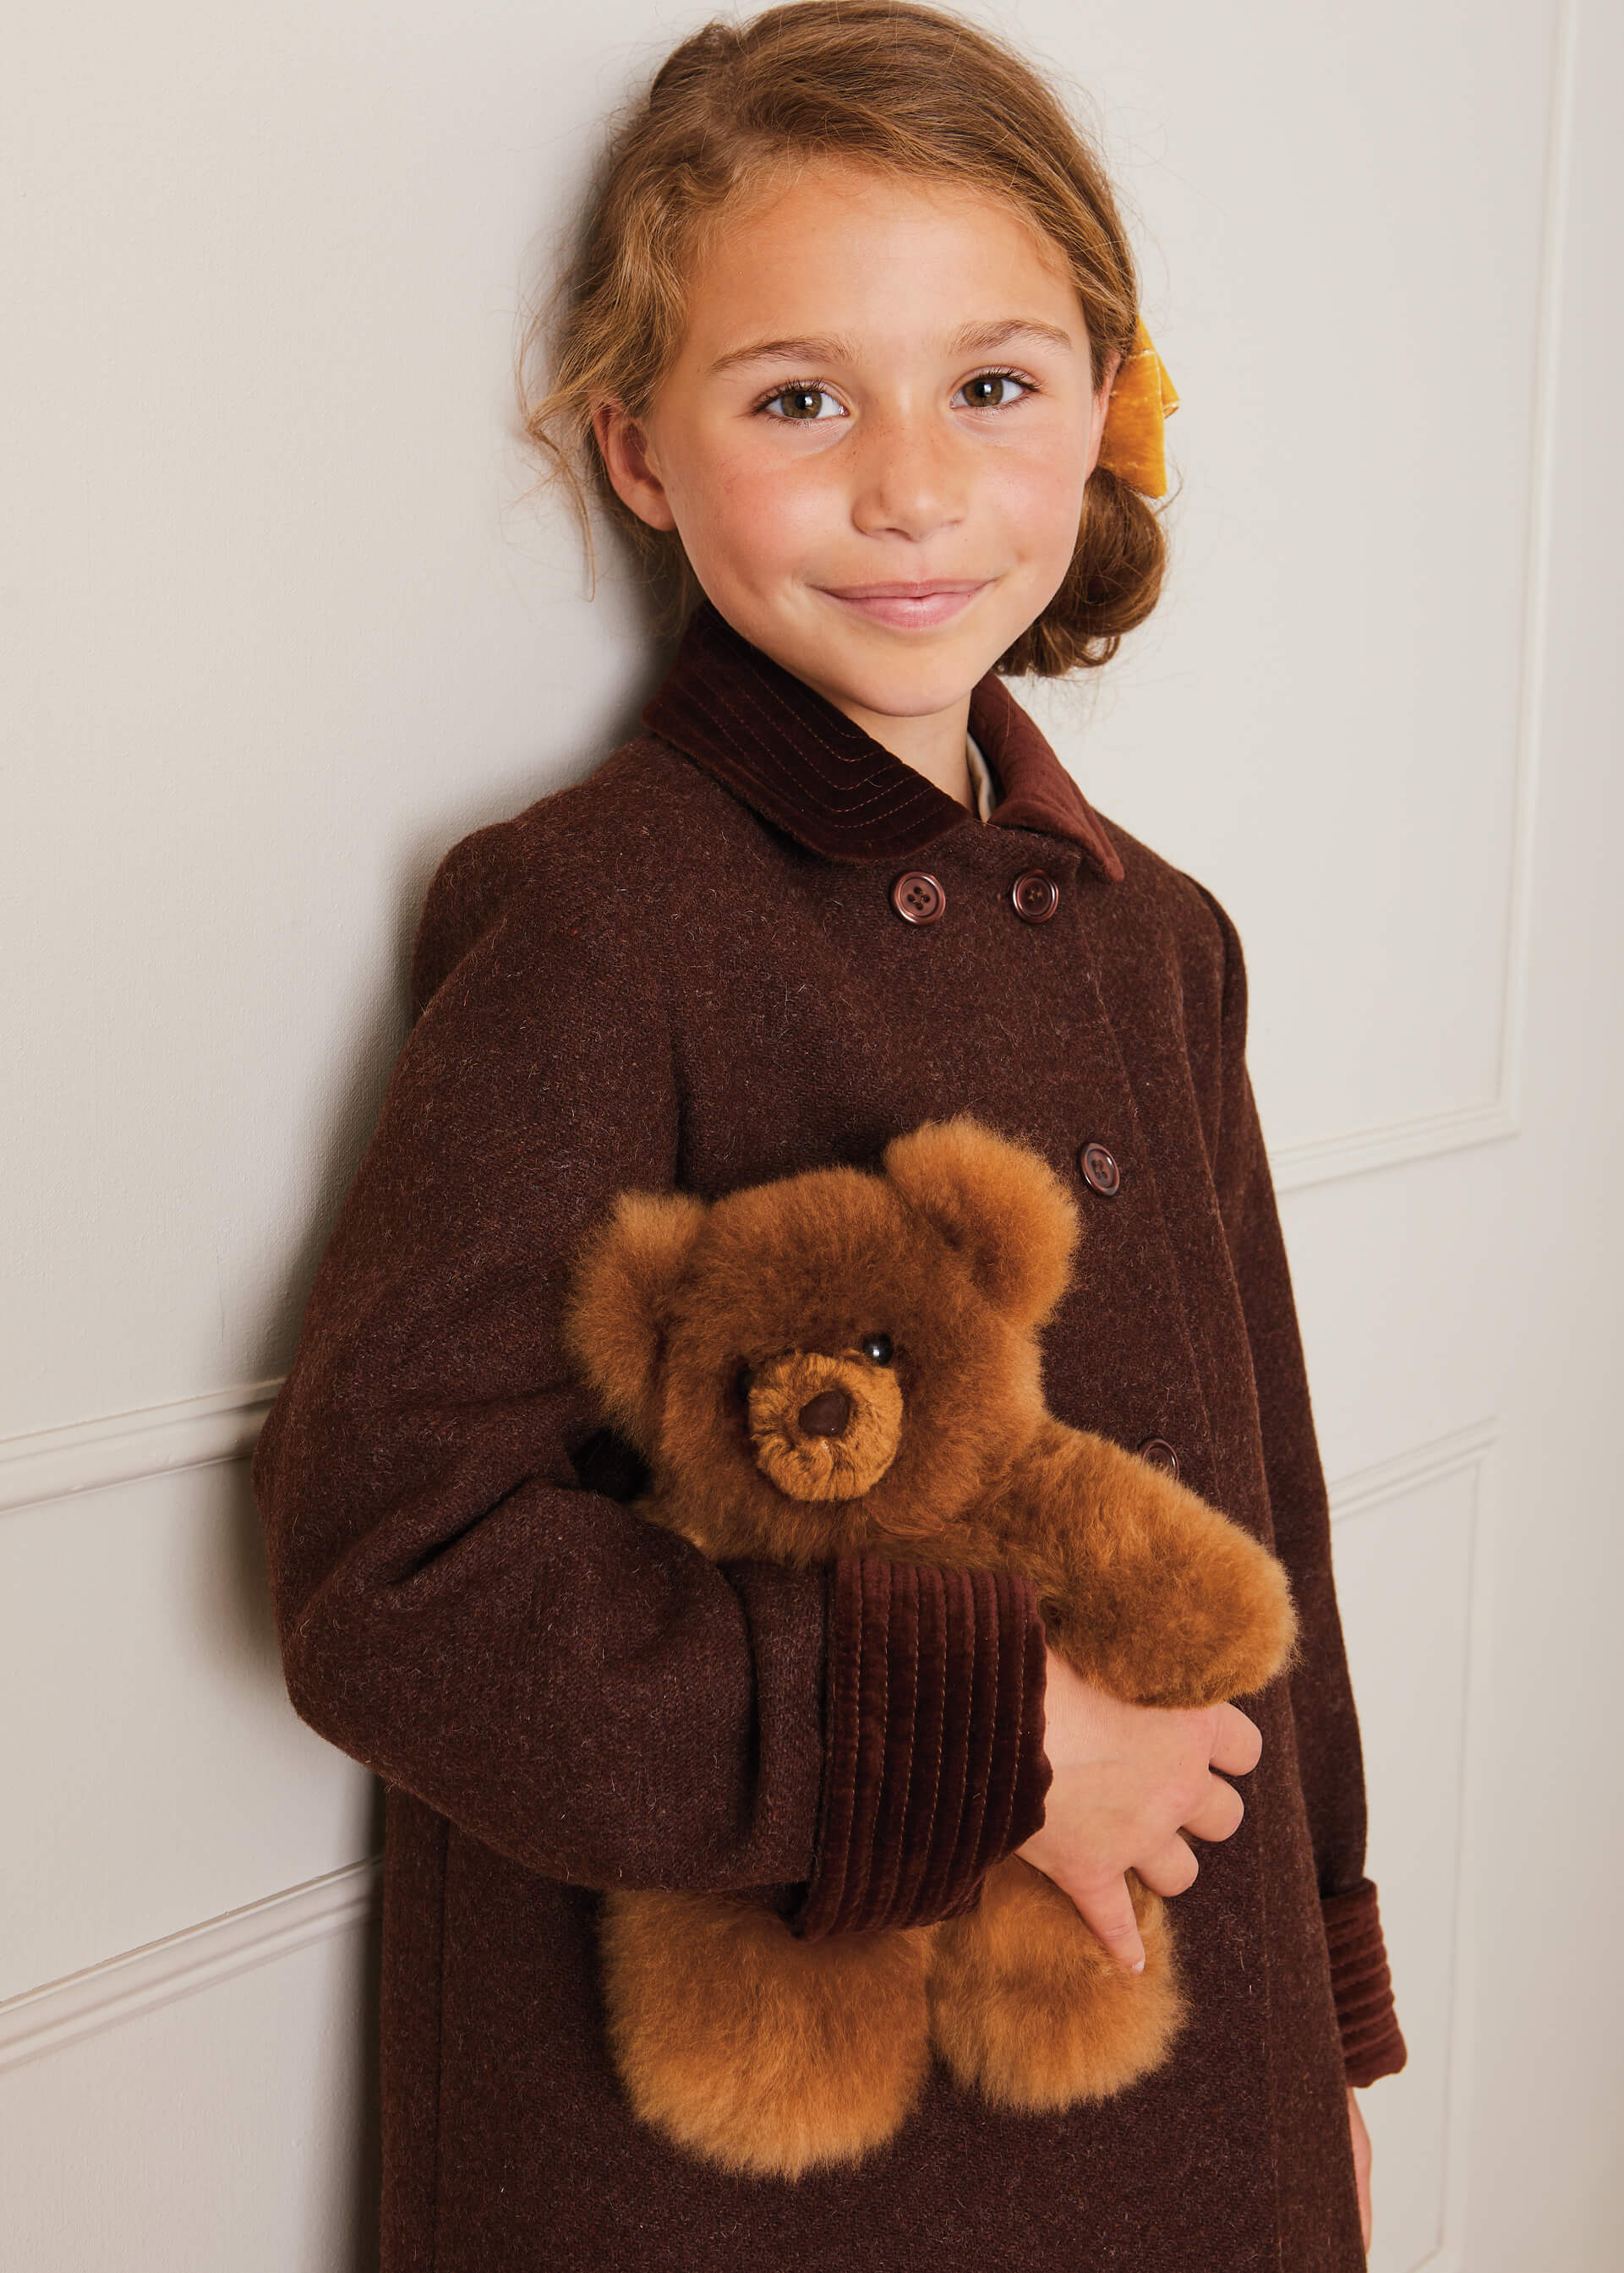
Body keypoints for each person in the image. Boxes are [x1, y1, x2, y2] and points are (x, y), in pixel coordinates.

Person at [251, 5, 1407, 2266]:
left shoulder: (1159, 937)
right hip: (758, 2170)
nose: (910, 487)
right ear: (638, 449)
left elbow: (1271, 1514)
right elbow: (399, 1569)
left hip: (1192, 2099)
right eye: (800, 398)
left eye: (992, 384)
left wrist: (1326, 2036)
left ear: (1105, 403)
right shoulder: (602, 915)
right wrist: (984, 1743)